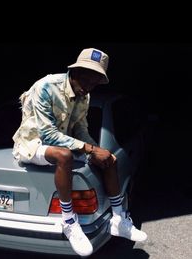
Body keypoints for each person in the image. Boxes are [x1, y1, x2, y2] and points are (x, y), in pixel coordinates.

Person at [12, 48, 147, 256]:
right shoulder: (46, 86)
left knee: (108, 158)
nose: (90, 87)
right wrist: (90, 149)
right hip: (32, 145)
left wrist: (96, 151)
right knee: (63, 155)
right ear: (77, 71)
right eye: (88, 80)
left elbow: (80, 129)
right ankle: (69, 221)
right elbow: (47, 134)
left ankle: (119, 219)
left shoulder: (84, 94)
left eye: (95, 83)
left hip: (63, 143)